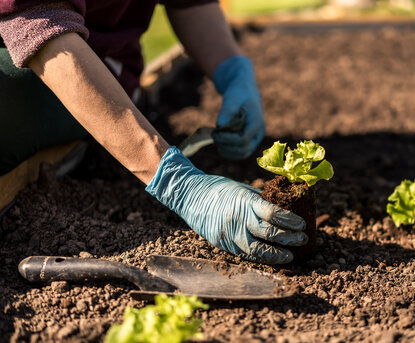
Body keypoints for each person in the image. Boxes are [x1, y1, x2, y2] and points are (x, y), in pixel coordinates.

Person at [0, 1, 307, 264]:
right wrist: (182, 184)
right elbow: (36, 22)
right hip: (32, 63)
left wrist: (233, 70)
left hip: (110, 65)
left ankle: (93, 132)